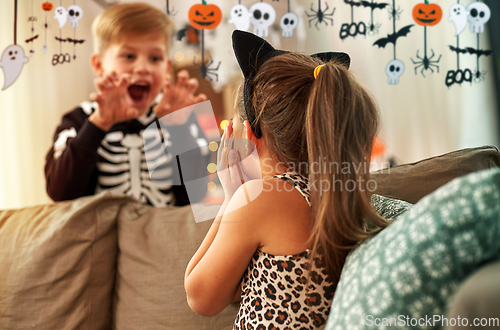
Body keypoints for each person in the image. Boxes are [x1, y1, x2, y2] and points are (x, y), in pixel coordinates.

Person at [185, 30, 391, 330]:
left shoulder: (260, 199)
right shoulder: (343, 195)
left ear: (251, 136)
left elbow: (200, 297)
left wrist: (232, 197)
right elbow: (230, 288)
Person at [45, 3, 209, 207]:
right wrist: (97, 124)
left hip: (163, 232)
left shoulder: (177, 118)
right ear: (99, 65)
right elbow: (60, 193)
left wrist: (178, 129)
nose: (143, 67)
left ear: (167, 68)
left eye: (155, 58)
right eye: (128, 56)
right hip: (101, 235)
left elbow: (197, 193)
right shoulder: (78, 120)